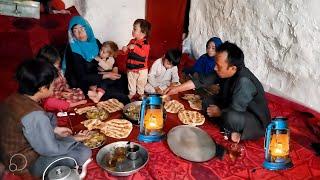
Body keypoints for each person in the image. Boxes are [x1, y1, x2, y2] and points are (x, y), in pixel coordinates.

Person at [0, 60, 91, 177]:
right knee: (83, 151)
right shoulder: (35, 115)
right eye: (53, 85)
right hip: (24, 161)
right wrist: (73, 139)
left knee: (55, 126)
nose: (54, 87)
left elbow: (28, 126)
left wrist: (55, 129)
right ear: (42, 88)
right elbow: (50, 149)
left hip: (10, 151)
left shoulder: (14, 97)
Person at [165, 41, 271, 143]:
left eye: (218, 66)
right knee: (206, 100)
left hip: (251, 119)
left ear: (233, 68)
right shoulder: (223, 70)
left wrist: (220, 112)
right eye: (215, 64)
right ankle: (225, 124)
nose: (215, 68)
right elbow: (202, 80)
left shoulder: (244, 82)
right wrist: (176, 89)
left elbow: (236, 110)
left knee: (230, 117)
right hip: (229, 104)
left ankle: (238, 133)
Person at [63, 16, 129, 104]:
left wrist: (114, 69)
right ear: (72, 33)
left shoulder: (95, 42)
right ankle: (98, 94)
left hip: (99, 76)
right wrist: (106, 75)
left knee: (123, 77)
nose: (80, 33)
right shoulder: (73, 49)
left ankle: (104, 93)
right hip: (84, 82)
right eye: (75, 30)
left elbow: (108, 53)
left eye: (82, 29)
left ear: (87, 28)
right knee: (122, 97)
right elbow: (82, 77)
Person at [37, 45, 87, 111]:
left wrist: (66, 88)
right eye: (56, 64)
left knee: (79, 91)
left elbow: (64, 81)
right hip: (51, 97)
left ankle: (65, 105)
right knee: (50, 102)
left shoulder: (59, 71)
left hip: (62, 93)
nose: (58, 66)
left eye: (59, 64)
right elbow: (46, 93)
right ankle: (72, 105)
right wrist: (61, 94)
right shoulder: (44, 76)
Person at [122, 19, 151, 99]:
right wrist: (125, 49)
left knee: (141, 84)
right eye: (133, 28)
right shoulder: (132, 41)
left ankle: (141, 94)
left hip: (141, 70)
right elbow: (127, 51)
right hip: (131, 69)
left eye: (135, 29)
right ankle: (131, 93)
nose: (132, 30)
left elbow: (143, 54)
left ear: (143, 32)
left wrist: (135, 47)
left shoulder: (145, 44)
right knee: (131, 83)